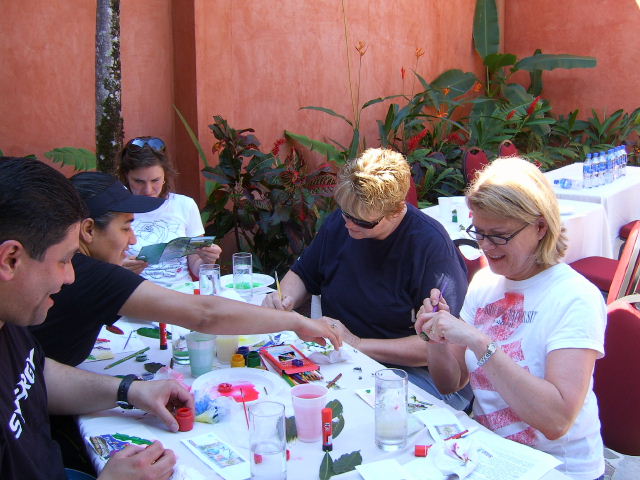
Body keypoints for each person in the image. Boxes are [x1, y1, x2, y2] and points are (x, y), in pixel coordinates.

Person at [0, 156, 193, 480]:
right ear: (11, 259)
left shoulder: (10, 322)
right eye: (64, 260)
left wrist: (130, 391)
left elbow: (35, 373)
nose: (71, 277)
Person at [415, 157, 605, 479]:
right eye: (479, 232)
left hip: (559, 470)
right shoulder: (486, 283)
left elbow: (556, 421)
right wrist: (434, 339)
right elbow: (452, 382)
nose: (485, 247)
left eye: (499, 236)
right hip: (492, 457)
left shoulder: (575, 296)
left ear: (540, 227)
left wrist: (480, 343)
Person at [29, 171, 341, 366]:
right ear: (86, 231)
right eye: (126, 228)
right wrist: (293, 322)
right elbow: (206, 313)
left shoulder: (71, 267)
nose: (133, 238)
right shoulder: (87, 274)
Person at [262, 148, 471, 409]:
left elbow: (440, 345)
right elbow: (304, 274)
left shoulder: (430, 248)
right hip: (342, 358)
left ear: (396, 211)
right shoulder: (343, 222)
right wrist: (283, 298)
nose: (350, 225)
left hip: (407, 372)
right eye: (345, 214)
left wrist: (359, 344)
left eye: (363, 222)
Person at [117, 136, 220, 287]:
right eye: (139, 181)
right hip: (137, 297)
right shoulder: (116, 209)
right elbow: (104, 271)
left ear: (165, 175)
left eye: (155, 180)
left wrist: (207, 260)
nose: (148, 190)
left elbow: (196, 267)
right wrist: (121, 270)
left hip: (182, 294)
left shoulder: (184, 205)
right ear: (126, 176)